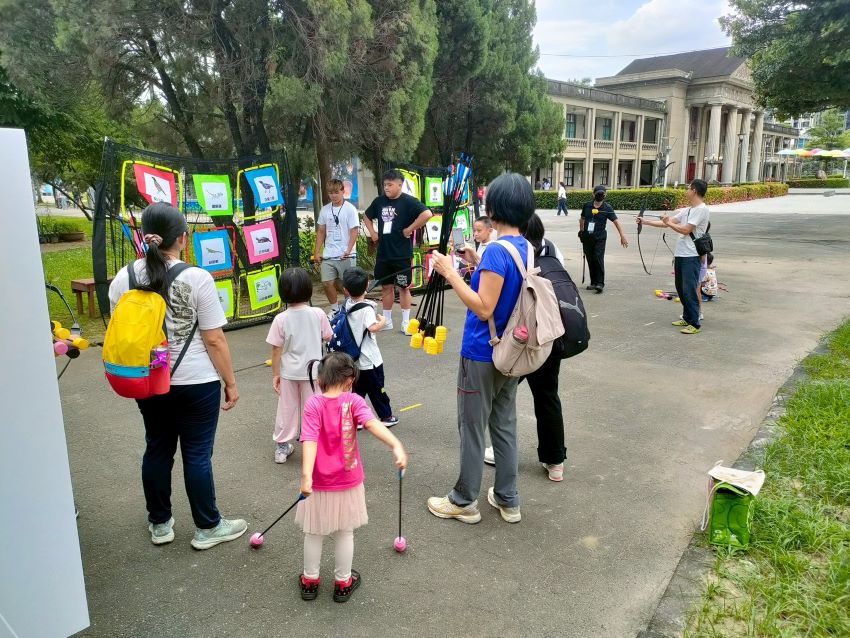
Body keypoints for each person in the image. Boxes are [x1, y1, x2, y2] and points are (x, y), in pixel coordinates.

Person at [108, 202, 246, 550]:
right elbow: (214, 339)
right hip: (195, 382)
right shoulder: (196, 277)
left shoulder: (123, 277)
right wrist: (230, 383)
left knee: (157, 447)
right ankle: (207, 527)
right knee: (197, 454)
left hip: (147, 380)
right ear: (182, 238)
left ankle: (160, 523)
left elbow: (120, 329)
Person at [425, 172, 534, 525]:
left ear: (496, 207)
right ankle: (508, 499)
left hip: (482, 352)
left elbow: (484, 307)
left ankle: (463, 499)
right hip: (511, 353)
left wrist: (450, 272)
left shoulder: (497, 253)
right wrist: (475, 263)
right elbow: (505, 294)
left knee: (471, 426)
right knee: (503, 425)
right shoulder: (525, 248)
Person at [296, 353, 407, 603]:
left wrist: (306, 476)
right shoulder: (355, 401)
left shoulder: (313, 404)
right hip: (348, 481)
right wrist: (395, 445)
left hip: (317, 483)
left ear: (321, 379)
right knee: (345, 533)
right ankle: (343, 582)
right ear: (349, 380)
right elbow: (372, 424)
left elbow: (309, 441)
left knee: (314, 533)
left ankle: (310, 580)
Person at [483, 213, 567, 482]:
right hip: (549, 334)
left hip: (518, 339)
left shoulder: (511, 254)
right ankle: (555, 462)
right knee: (547, 396)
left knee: (502, 397)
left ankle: (501, 452)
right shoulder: (553, 249)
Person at [267, 268, 333, 463]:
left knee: (286, 408)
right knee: (315, 408)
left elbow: (276, 350)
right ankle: (316, 445)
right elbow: (328, 336)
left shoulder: (280, 319)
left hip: (289, 373)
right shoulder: (318, 313)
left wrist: (275, 374)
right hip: (314, 373)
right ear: (308, 289)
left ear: (283, 292)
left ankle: (282, 447)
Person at [363, 169, 433, 335]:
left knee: (403, 287)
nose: (386, 187)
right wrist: (373, 233)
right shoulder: (379, 201)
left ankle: (406, 322)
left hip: (401, 254)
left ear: (400, 185)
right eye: (385, 184)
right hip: (383, 254)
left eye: (390, 184)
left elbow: (427, 214)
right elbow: (366, 216)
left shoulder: (408, 201)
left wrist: (410, 229)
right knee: (386, 287)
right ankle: (386, 321)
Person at [637, 178, 710, 334]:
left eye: (689, 188)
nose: (687, 190)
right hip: (681, 254)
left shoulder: (702, 209)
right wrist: (645, 221)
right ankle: (687, 317)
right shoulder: (687, 210)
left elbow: (685, 230)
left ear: (694, 190)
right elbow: (667, 222)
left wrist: (669, 223)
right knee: (681, 288)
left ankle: (695, 323)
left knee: (689, 289)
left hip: (691, 255)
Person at [341, 267, 399, 427]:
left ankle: (356, 419)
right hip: (370, 359)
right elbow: (372, 328)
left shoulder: (346, 304)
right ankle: (386, 416)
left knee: (357, 391)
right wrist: (382, 321)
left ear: (345, 290)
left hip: (354, 358)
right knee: (377, 389)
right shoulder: (366, 309)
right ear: (366, 286)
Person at [314, 178, 360, 317]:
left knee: (347, 286)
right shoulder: (325, 210)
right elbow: (321, 231)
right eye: (330, 193)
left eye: (336, 192)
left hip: (346, 254)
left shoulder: (350, 209)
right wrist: (317, 251)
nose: (333, 195)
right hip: (329, 254)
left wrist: (348, 249)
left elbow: (354, 231)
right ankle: (334, 308)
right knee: (327, 282)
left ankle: (349, 308)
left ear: (342, 191)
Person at [579, 185, 629, 293]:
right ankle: (593, 282)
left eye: (602, 194)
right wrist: (581, 231)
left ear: (605, 195)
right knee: (590, 259)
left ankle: (600, 283)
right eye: (598, 194)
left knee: (598, 258)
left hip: (600, 237)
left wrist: (622, 236)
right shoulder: (587, 206)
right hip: (587, 237)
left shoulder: (607, 208)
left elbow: (616, 222)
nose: (600, 196)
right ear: (593, 194)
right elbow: (582, 219)